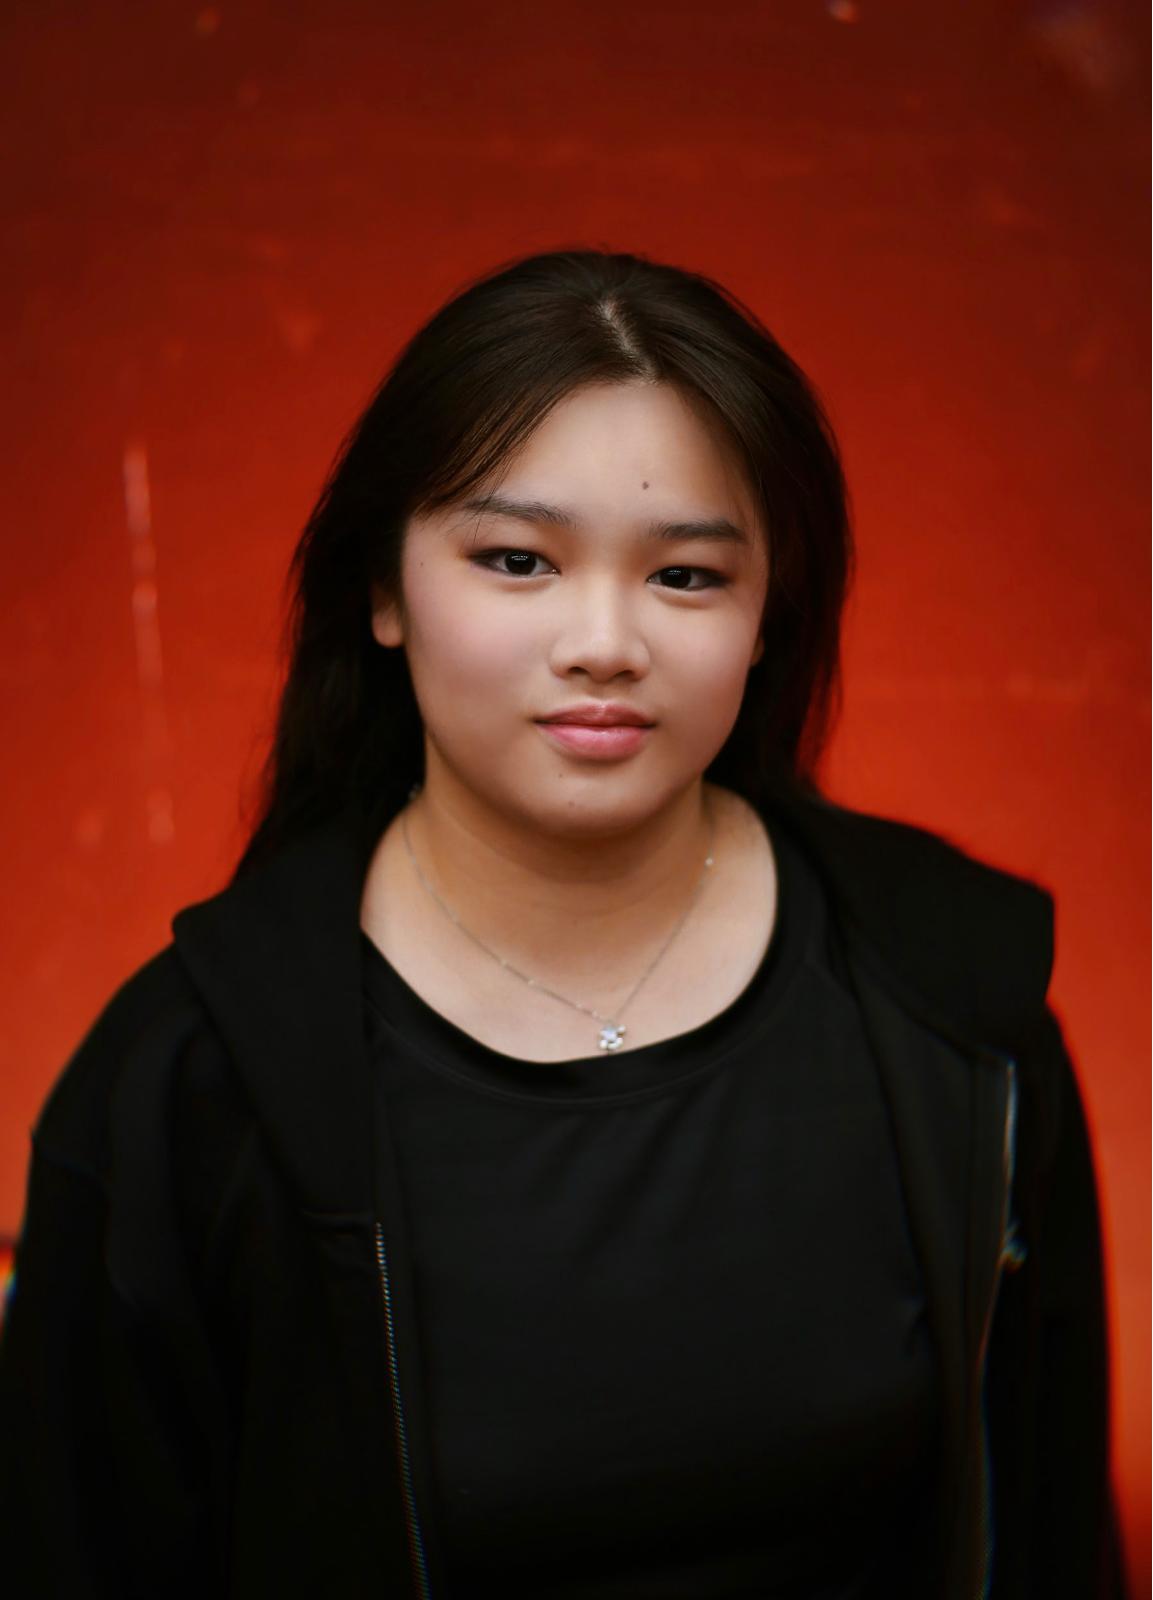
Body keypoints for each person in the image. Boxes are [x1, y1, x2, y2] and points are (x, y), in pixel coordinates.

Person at [0, 249, 1128, 1599]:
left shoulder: (954, 1005)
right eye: (517, 560)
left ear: (770, 613)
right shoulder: (186, 1087)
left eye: (686, 576)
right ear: (382, 592)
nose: (604, 641)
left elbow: (1051, 1531)